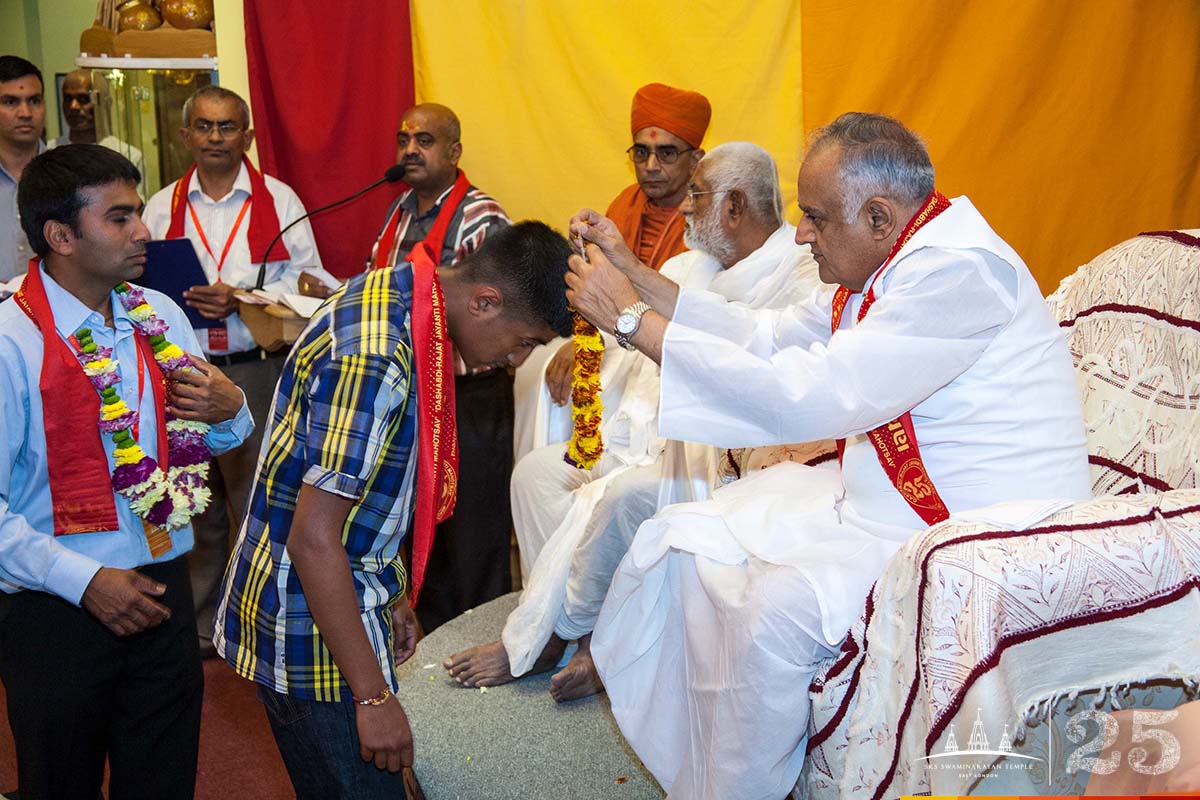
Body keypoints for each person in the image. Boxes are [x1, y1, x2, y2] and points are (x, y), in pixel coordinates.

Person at [565, 113, 1093, 799]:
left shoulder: (957, 272)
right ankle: (710, 772)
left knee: (774, 610)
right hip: (879, 502)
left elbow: (815, 392)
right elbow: (767, 335)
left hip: (967, 530)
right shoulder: (893, 256)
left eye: (814, 217)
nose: (801, 233)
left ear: (878, 216)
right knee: (691, 541)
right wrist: (633, 274)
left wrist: (632, 322)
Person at [445, 143, 829, 702]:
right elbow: (633, 317)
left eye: (696, 196)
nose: (685, 210)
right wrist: (591, 326)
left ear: (736, 207)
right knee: (536, 475)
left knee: (624, 496)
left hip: (726, 455)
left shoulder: (799, 274)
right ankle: (569, 619)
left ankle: (568, 635)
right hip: (647, 436)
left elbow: (742, 352)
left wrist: (621, 309)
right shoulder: (687, 265)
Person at [215, 220, 574, 798]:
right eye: (525, 340)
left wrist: (393, 591)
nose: (516, 359)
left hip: (337, 599)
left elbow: (368, 495)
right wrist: (373, 697)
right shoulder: (378, 355)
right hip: (311, 632)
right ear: (486, 302)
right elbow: (313, 539)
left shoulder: (401, 295)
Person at [0, 144, 252, 799]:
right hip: (52, 602)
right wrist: (84, 582)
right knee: (61, 785)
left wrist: (233, 411)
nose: (144, 231)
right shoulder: (10, 342)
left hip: (162, 581)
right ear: (59, 236)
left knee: (162, 781)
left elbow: (202, 438)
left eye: (139, 212)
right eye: (120, 218)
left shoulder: (158, 316)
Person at [142, 85, 325, 656]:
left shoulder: (280, 200)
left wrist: (242, 296)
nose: (215, 138)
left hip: (254, 370)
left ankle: (258, 623)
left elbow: (310, 286)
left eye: (227, 128)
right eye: (204, 126)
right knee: (194, 500)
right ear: (184, 135)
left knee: (259, 499)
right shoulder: (159, 206)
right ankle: (197, 628)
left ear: (246, 136)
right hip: (181, 373)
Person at [363, 102, 516, 633]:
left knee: (473, 534)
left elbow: (502, 309)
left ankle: (485, 647)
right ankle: (432, 658)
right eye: (403, 138)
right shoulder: (398, 211)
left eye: (424, 140)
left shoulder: (482, 217)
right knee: (419, 529)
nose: (410, 149)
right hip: (411, 397)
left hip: (468, 399)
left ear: (454, 152)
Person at [513, 82, 712, 463]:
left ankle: (596, 486)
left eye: (666, 153)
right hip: (611, 331)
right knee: (535, 368)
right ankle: (552, 489)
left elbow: (693, 306)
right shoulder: (626, 203)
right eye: (641, 152)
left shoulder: (706, 215)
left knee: (594, 379)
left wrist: (596, 345)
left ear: (696, 159)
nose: (651, 166)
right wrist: (587, 340)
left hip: (663, 346)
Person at [48, 69, 147, 178]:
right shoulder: (48, 152)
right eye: (68, 99)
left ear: (105, 103)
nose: (74, 107)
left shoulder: (127, 155)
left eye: (83, 99)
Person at [0, 56, 46, 285]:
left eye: (34, 100)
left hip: (57, 314)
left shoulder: (70, 177)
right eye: (11, 102)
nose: (26, 112)